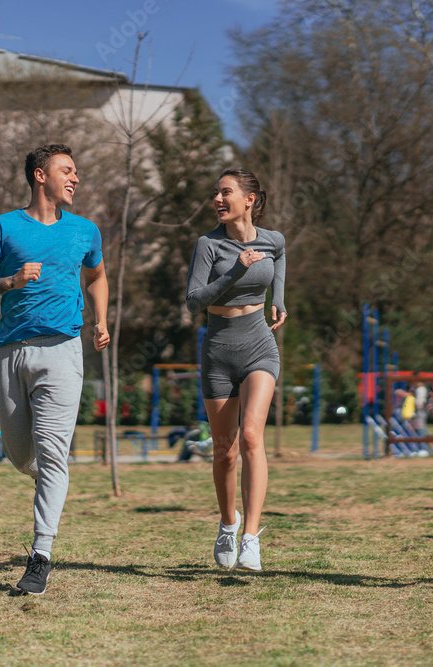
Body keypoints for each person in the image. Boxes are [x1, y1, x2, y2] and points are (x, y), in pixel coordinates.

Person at [0, 144, 110, 595]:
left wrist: (101, 319)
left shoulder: (85, 231)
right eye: (67, 170)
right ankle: (49, 473)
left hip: (63, 350)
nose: (76, 178)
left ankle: (40, 556)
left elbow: (98, 276)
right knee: (18, 452)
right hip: (10, 352)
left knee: (51, 453)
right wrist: (11, 280)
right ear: (40, 175)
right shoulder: (2, 227)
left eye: (77, 171)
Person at [185, 167, 286, 571]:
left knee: (250, 436)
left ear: (249, 199)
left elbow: (278, 272)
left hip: (260, 344)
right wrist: (236, 270)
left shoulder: (274, 240)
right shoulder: (208, 245)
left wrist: (279, 301)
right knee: (224, 451)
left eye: (226, 192)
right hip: (218, 350)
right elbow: (194, 301)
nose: (218, 199)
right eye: (215, 193)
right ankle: (229, 524)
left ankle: (251, 538)